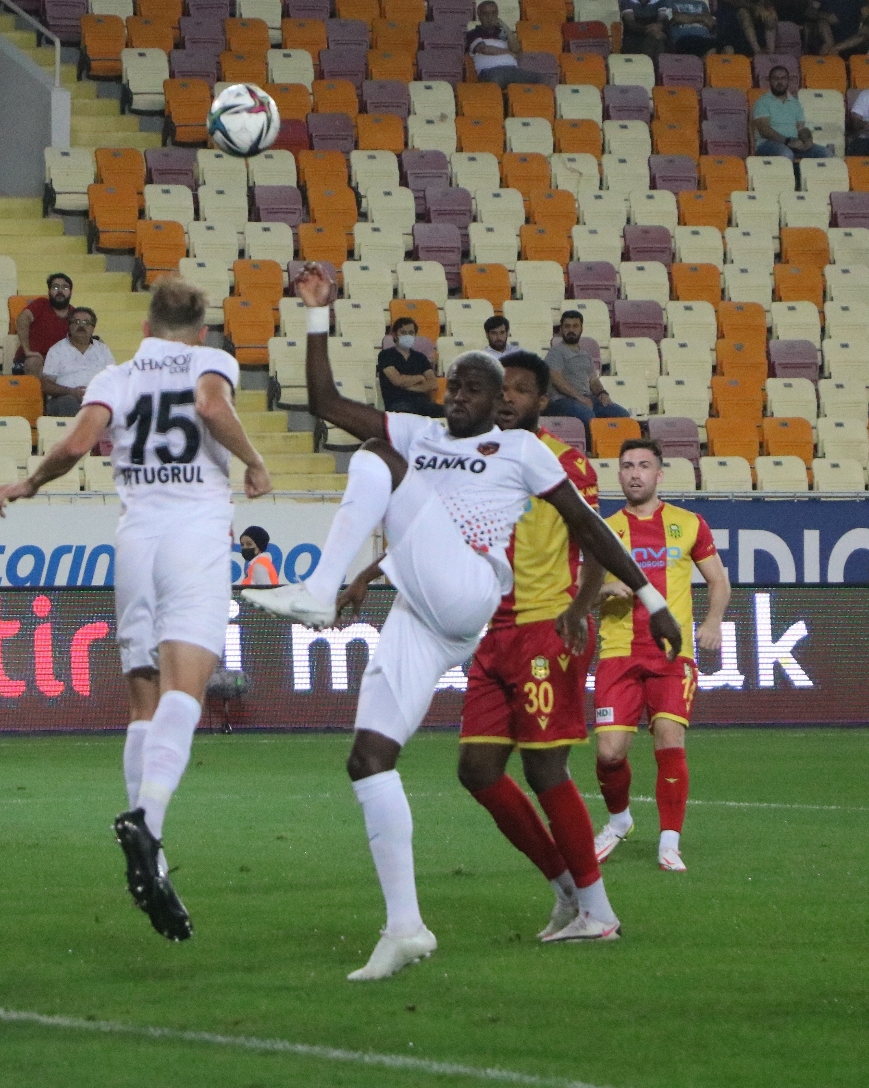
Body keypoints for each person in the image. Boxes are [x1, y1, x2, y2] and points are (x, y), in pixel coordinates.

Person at [244, 264, 682, 978]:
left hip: (477, 587)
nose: (467, 398)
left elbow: (590, 527)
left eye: (482, 390)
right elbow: (323, 400)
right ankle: (404, 927)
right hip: (430, 612)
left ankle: (316, 590)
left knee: (378, 455)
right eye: (459, 387)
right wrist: (317, 313)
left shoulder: (519, 449)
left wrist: (653, 599)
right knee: (371, 759)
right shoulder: (424, 432)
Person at [0, 276, 272, 942]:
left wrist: (30, 481)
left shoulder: (115, 376)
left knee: (143, 702)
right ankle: (146, 822)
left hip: (135, 540)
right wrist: (255, 462)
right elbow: (209, 405)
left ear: (146, 330)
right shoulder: (212, 362)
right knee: (187, 687)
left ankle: (154, 854)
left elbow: (72, 445)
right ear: (201, 333)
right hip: (193, 536)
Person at [443, 352, 609, 946]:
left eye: (521, 389)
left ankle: (599, 911)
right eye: (502, 388)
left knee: (545, 767)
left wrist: (578, 610)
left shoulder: (565, 465)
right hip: (494, 632)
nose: (509, 397)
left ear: (543, 402)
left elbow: (598, 544)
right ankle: (566, 886)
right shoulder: (473, 462)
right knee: (477, 769)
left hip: (547, 627)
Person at [562, 439, 731, 873]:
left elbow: (718, 582)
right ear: (618, 475)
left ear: (659, 474)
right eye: (627, 466)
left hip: (672, 654)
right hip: (619, 653)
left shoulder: (689, 523)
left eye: (643, 465)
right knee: (609, 754)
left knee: (670, 738)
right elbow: (581, 591)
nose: (635, 473)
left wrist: (712, 623)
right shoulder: (603, 528)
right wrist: (603, 590)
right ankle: (619, 822)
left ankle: (669, 842)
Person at [545, 311, 629, 427]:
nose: (571, 330)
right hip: (562, 400)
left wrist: (602, 393)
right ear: (561, 329)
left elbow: (593, 380)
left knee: (622, 415)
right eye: (567, 326)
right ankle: (592, 445)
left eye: (575, 326)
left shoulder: (585, 354)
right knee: (587, 416)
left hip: (586, 399)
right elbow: (556, 379)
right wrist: (579, 397)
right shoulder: (556, 352)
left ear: (581, 329)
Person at [40, 306, 115, 415]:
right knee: (68, 403)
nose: (81, 325)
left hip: (97, 399)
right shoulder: (57, 350)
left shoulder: (103, 349)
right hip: (66, 399)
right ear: (69, 326)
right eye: (77, 322)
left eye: (86, 322)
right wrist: (71, 392)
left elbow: (113, 379)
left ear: (93, 328)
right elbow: (46, 385)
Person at [753, 66, 830, 160]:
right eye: (776, 78)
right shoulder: (762, 102)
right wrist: (788, 141)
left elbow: (801, 128)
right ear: (769, 80)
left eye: (783, 78)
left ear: (788, 80)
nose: (780, 82)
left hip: (793, 143)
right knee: (786, 153)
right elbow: (764, 131)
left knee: (825, 153)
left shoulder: (795, 103)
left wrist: (807, 140)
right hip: (767, 144)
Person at [466, 1, 545, 85]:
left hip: (512, 70)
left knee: (540, 79)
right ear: (479, 15)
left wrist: (505, 28)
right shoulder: (473, 33)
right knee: (499, 77)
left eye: (493, 13)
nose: (490, 17)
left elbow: (516, 49)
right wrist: (509, 53)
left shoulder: (503, 33)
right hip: (489, 71)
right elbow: (485, 49)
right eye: (486, 14)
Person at [377, 316, 442, 417]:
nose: (407, 336)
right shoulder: (386, 355)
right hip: (398, 404)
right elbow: (397, 380)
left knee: (452, 413)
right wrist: (420, 377)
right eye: (403, 332)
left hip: (422, 403)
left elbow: (433, 384)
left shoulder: (420, 357)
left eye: (411, 333)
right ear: (394, 335)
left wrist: (408, 387)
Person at [16, 273, 75, 374]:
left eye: (65, 287)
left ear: (70, 292)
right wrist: (27, 351)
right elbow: (22, 319)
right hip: (29, 361)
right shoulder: (41, 304)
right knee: (33, 362)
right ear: (49, 291)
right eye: (55, 287)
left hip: (59, 365)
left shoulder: (75, 314)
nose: (60, 291)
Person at [658, 0, 726, 55]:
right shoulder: (668, 2)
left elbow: (710, 22)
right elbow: (672, 18)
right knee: (711, 49)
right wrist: (701, 18)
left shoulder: (702, 4)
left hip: (706, 39)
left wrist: (685, 19)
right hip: (683, 40)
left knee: (728, 48)